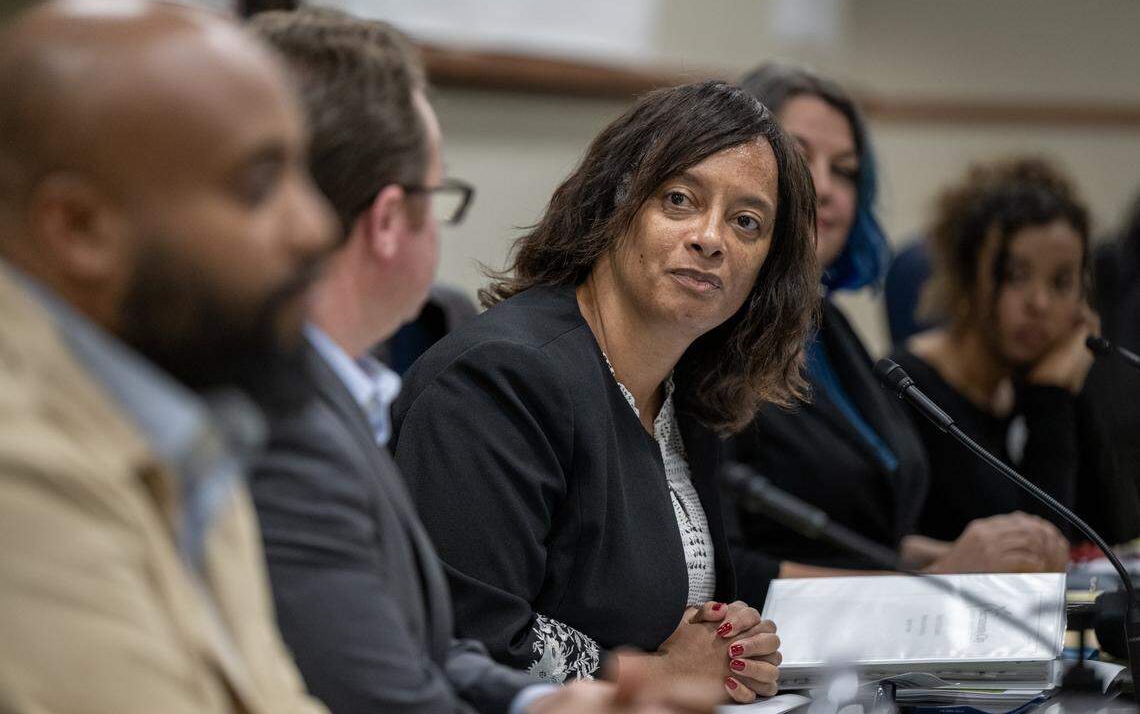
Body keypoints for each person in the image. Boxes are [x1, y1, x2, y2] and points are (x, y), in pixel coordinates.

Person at [246, 8, 720, 714]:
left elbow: (424, 647)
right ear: (386, 223)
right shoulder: (280, 425)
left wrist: (545, 706)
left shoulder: (342, 394)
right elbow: (381, 694)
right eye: (438, 198)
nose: (710, 239)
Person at [391, 80, 818, 703]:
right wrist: (654, 676)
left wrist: (727, 641)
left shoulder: (682, 389)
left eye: (746, 222)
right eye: (679, 200)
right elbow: (469, 636)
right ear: (614, 205)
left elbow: (652, 618)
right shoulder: (498, 378)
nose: (711, 237)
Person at [0, 0, 337, 713]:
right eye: (258, 183)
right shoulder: (20, 463)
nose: (315, 227)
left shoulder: (178, 401)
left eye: (303, 172)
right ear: (79, 228)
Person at [726, 64, 1069, 607]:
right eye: (798, 159)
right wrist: (927, 585)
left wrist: (955, 560)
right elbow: (724, 569)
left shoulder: (824, 323)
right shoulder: (714, 335)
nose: (825, 187)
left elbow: (857, 537)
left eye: (845, 171)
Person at [894, 156, 1140, 544]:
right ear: (968, 275)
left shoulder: (1031, 380)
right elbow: (1037, 553)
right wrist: (1050, 398)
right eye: (1016, 276)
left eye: (1061, 283)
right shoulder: (906, 390)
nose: (1039, 304)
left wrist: (1068, 388)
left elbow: (1113, 529)